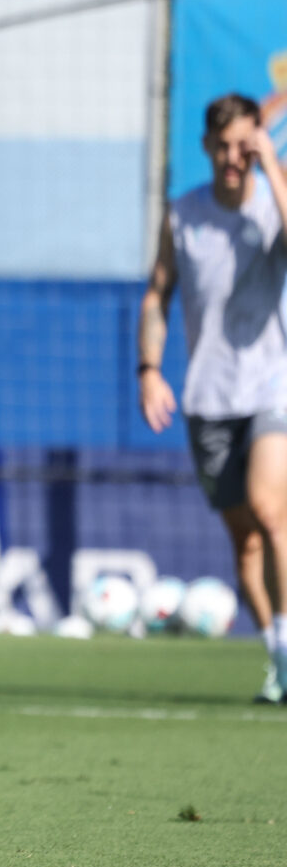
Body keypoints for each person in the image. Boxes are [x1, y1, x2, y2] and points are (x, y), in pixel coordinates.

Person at [140, 93, 287, 703]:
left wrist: (271, 163)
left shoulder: (272, 203)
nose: (234, 158)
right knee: (244, 540)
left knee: (270, 508)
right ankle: (279, 652)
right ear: (206, 147)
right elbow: (157, 294)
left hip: (273, 386)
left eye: (244, 146)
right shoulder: (184, 213)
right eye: (223, 147)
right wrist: (149, 368)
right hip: (208, 398)